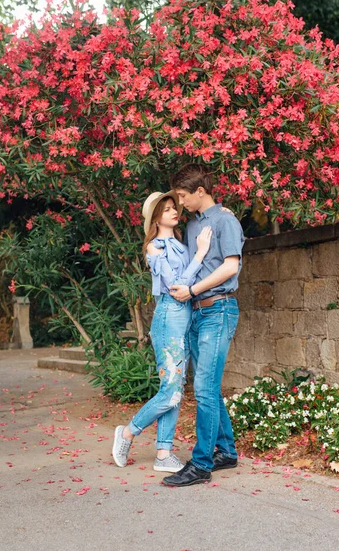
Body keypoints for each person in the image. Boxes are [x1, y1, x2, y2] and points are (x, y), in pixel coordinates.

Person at [112, 190, 212, 473]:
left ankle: (163, 453)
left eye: (173, 207)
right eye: (166, 209)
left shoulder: (179, 243)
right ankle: (128, 432)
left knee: (176, 390)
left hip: (185, 319)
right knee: (170, 391)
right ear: (155, 217)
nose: (173, 211)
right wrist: (202, 253)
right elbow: (177, 287)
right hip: (169, 318)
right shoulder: (154, 248)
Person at [163, 163, 244, 487]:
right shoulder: (195, 224)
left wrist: (194, 290)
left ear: (200, 191)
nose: (180, 202)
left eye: (183, 196)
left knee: (204, 389)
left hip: (218, 309)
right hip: (197, 311)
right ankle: (225, 451)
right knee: (208, 386)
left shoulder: (225, 220)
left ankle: (201, 464)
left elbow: (230, 267)